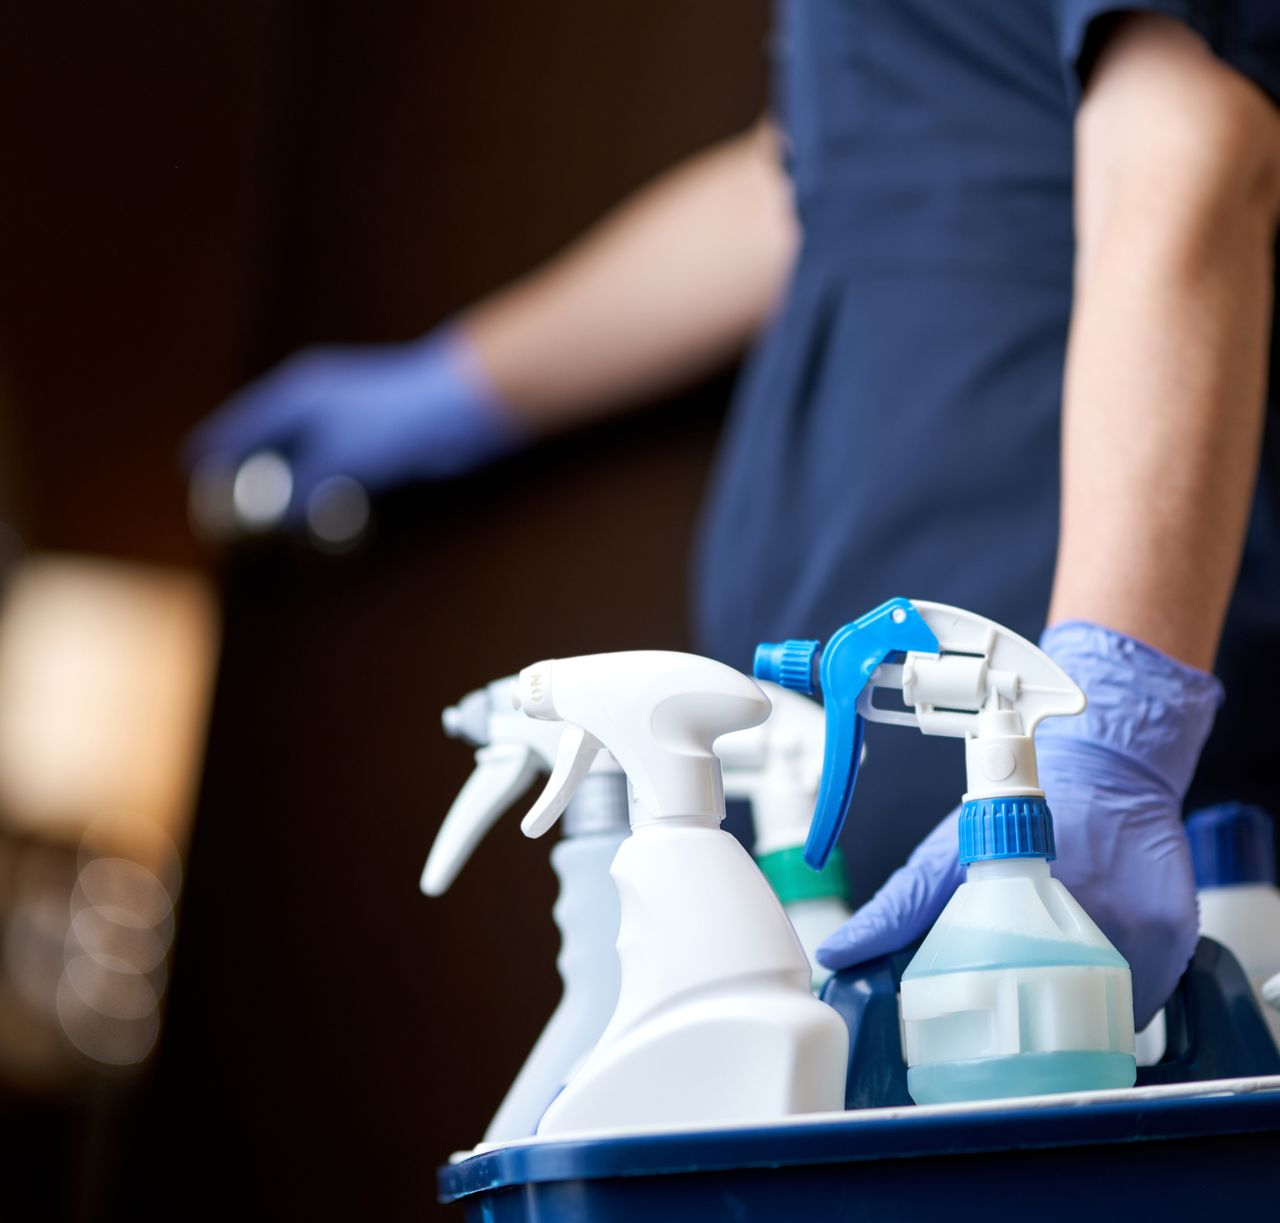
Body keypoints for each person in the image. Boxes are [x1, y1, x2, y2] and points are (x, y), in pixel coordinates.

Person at [188, 4, 1280, 1030]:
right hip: (871, 811)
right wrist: (458, 390)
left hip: (1065, 781)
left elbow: (1187, 141)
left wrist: (1116, 724)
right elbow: (813, 178)